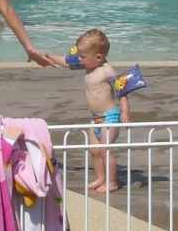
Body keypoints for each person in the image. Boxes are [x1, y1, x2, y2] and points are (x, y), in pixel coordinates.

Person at [45, 29, 130, 194]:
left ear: (98, 57)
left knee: (105, 150)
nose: (79, 59)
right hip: (95, 118)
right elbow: (67, 62)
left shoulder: (106, 70)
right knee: (94, 151)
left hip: (109, 117)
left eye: (82, 56)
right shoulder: (89, 66)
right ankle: (101, 178)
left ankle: (112, 182)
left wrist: (125, 111)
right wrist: (47, 56)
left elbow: (122, 89)